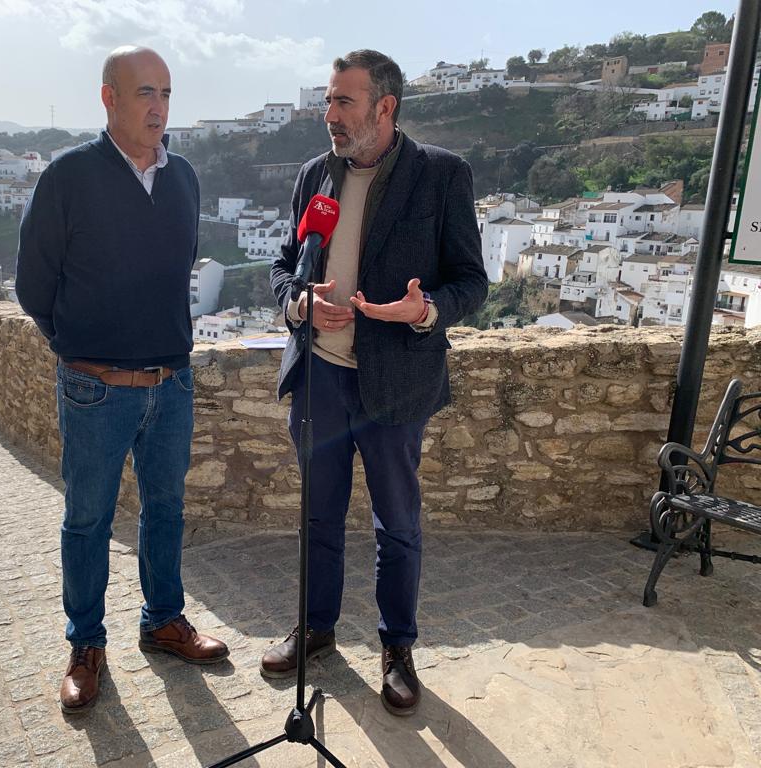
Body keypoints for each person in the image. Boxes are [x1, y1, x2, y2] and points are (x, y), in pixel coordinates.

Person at [262, 49, 488, 716]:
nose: (328, 114)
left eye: (343, 102)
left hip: (395, 385)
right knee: (318, 516)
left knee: (398, 526)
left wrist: (426, 310)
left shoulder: (441, 176)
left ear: (383, 108)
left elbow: (471, 282)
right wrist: (299, 305)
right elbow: (283, 265)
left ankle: (397, 649)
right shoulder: (314, 175)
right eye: (329, 101)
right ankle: (316, 627)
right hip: (320, 379)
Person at [15, 45, 229, 715]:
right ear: (108, 98)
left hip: (171, 383)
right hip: (95, 387)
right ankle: (85, 645)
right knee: (87, 520)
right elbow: (33, 285)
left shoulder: (185, 177)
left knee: (166, 510)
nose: (158, 105)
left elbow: (178, 269)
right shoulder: (68, 177)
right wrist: (80, 351)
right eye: (143, 91)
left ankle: (164, 621)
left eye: (165, 91)